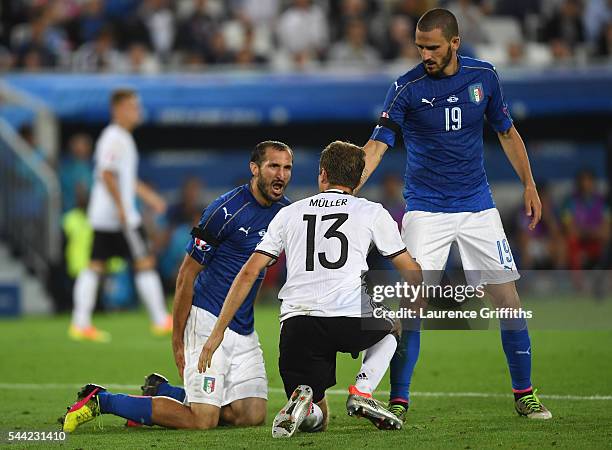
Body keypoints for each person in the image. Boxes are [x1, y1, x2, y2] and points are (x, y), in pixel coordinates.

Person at [356, 8, 552, 421]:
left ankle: (525, 394)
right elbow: (377, 146)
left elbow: (506, 132)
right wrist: (347, 187)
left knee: (508, 300)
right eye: (420, 46)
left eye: (433, 47)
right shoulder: (405, 88)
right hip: (426, 210)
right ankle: (399, 399)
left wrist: (530, 184)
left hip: (478, 206)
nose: (424, 54)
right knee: (413, 303)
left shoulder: (484, 77)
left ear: (455, 43)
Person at [60, 140, 293, 432]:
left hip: (243, 329)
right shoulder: (224, 211)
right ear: (254, 169)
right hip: (207, 320)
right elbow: (186, 275)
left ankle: (163, 393)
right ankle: (102, 400)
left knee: (250, 414)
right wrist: (177, 337)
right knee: (202, 420)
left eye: (287, 168)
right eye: (274, 166)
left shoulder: (286, 215)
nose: (281, 175)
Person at [199, 141, 423, 438]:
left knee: (318, 416)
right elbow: (410, 272)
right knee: (394, 326)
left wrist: (216, 334)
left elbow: (249, 272)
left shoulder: (289, 213)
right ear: (357, 180)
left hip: (297, 324)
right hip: (349, 315)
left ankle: (303, 403)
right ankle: (362, 389)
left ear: (322, 174)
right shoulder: (372, 212)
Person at [69, 89, 170, 342]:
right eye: (133, 107)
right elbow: (106, 174)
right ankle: (160, 320)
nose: (138, 111)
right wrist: (123, 208)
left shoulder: (119, 137)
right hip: (119, 217)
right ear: (118, 110)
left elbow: (125, 178)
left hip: (105, 215)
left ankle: (80, 323)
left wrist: (150, 198)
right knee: (144, 262)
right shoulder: (115, 137)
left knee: (95, 265)